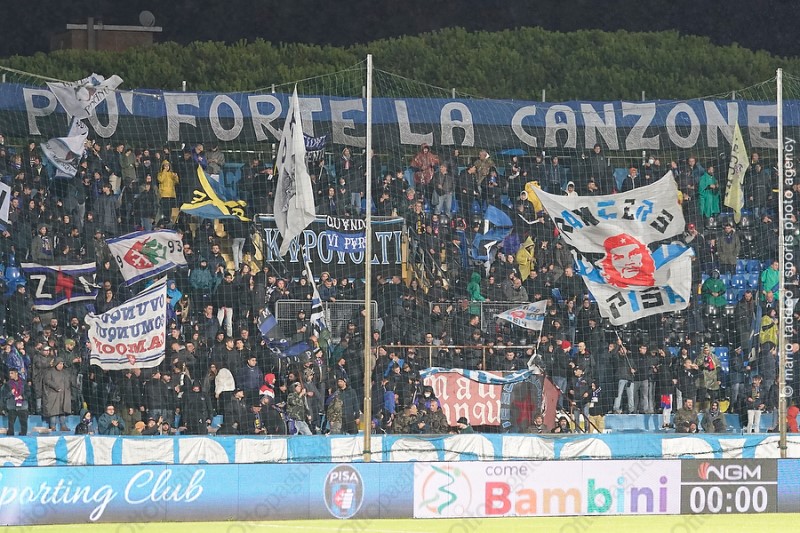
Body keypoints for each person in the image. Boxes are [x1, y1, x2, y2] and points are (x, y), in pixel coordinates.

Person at [1, 368, 32, 436]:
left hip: (23, 407)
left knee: (24, 426)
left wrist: (23, 397)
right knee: (11, 427)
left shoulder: (24, 383)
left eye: (12, 373)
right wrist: (10, 393)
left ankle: (23, 438)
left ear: (16, 373)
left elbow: (29, 393)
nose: (10, 375)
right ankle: (10, 438)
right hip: (12, 407)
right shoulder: (7, 384)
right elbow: (4, 396)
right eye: (9, 373)